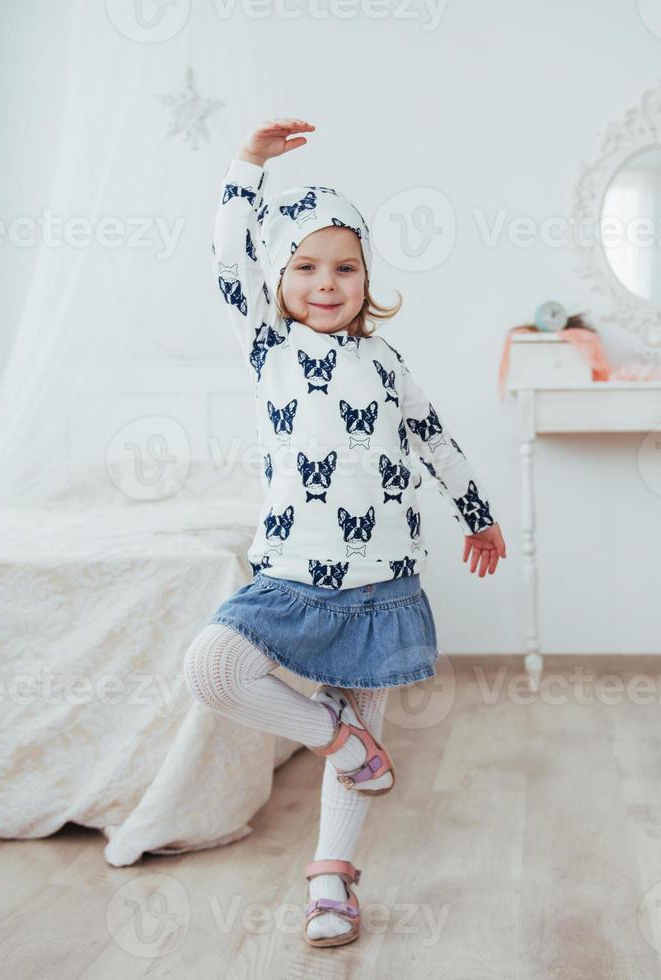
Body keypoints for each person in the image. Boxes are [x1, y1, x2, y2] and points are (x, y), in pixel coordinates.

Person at [183, 117, 507, 949]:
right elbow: (227, 260)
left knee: (366, 734)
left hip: (381, 577)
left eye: (345, 267)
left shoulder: (387, 361)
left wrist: (477, 514)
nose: (326, 284)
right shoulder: (268, 348)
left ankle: (332, 878)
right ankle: (333, 731)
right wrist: (246, 168)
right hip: (291, 569)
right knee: (214, 668)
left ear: (367, 275)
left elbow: (434, 437)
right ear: (280, 278)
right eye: (306, 267)